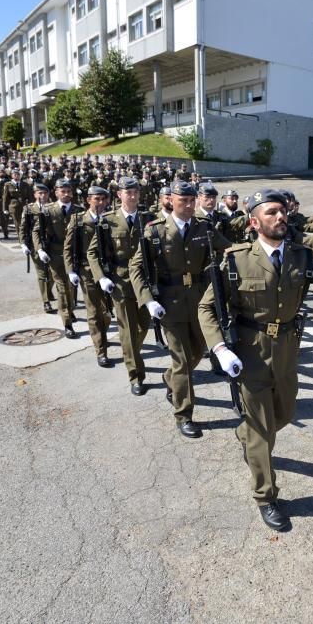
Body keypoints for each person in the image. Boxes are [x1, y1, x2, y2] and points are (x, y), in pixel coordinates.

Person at [197, 189, 313, 531]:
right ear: (254, 221)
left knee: (284, 413)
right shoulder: (236, 259)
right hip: (250, 350)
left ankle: (245, 434)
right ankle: (266, 496)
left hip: (288, 349)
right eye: (271, 213)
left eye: (282, 211)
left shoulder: (301, 256)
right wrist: (220, 349)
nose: (280, 217)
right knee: (264, 432)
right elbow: (207, 307)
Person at [130, 180, 232, 438]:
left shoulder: (204, 228)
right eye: (182, 201)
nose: (187, 205)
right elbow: (136, 268)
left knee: (198, 353)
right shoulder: (154, 231)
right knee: (183, 361)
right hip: (170, 304)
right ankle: (184, 414)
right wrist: (148, 300)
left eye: (190, 200)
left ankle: (170, 380)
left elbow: (228, 249)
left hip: (199, 302)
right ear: (170, 201)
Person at [88, 177, 152, 395]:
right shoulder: (108, 221)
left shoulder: (148, 219)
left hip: (145, 281)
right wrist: (101, 277)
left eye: (135, 192)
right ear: (119, 195)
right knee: (127, 329)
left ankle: (131, 351)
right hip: (121, 281)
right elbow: (92, 253)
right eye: (128, 193)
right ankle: (136, 375)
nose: (133, 196)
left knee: (144, 325)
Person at [65, 186, 112, 366]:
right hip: (87, 270)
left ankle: (102, 332)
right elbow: (68, 248)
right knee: (93, 311)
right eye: (96, 199)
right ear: (88, 200)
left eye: (103, 199)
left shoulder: (110, 219)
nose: (100, 203)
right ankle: (101, 350)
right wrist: (70, 271)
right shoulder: (78, 220)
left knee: (107, 311)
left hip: (108, 270)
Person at [35, 178, 82, 338]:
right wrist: (40, 249)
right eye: (63, 191)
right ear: (56, 192)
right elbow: (37, 231)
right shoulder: (48, 210)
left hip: (75, 255)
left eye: (69, 191)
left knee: (72, 287)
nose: (67, 194)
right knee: (62, 288)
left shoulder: (79, 210)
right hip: (56, 255)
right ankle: (67, 323)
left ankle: (70, 309)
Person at [21, 183, 57, 313]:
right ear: (35, 195)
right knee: (42, 274)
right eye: (40, 193)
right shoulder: (29, 209)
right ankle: (46, 301)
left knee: (53, 274)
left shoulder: (53, 207)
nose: (43, 196)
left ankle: (48, 291)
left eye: (45, 193)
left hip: (52, 244)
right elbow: (23, 227)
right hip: (35, 245)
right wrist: (23, 243)